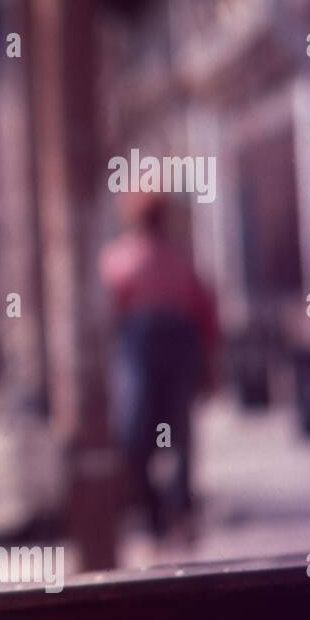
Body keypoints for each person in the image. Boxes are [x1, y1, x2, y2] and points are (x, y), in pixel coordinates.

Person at [99, 191, 221, 550]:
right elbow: (110, 313)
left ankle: (179, 513)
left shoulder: (178, 261)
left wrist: (210, 365)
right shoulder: (118, 258)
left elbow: (204, 314)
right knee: (136, 433)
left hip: (175, 349)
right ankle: (153, 515)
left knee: (178, 434)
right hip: (140, 351)